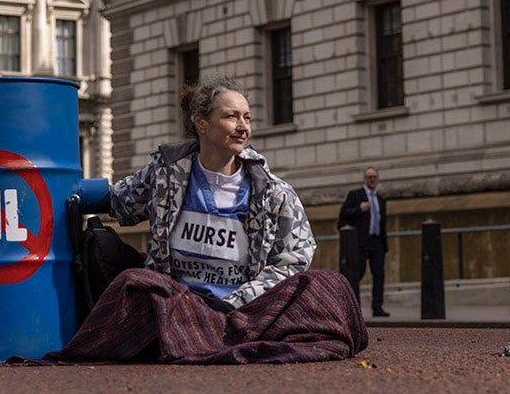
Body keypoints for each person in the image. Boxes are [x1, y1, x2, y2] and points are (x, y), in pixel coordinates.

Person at [32, 74, 366, 364]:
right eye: (232, 116)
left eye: (247, 117)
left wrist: (237, 301)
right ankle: (204, 338)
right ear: (201, 123)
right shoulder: (165, 174)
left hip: (247, 310)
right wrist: (56, 188)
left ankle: (200, 339)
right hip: (180, 304)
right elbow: (120, 201)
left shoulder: (273, 191)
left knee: (327, 286)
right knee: (134, 283)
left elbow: (293, 259)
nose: (243, 126)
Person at [339, 167, 390, 317]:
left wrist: (384, 244)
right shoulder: (356, 195)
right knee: (357, 275)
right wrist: (359, 209)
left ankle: (377, 307)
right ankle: (353, 309)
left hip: (377, 242)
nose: (372, 180)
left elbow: (382, 222)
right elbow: (343, 214)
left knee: (379, 275)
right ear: (364, 179)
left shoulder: (381, 199)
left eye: (374, 177)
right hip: (360, 243)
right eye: (369, 177)